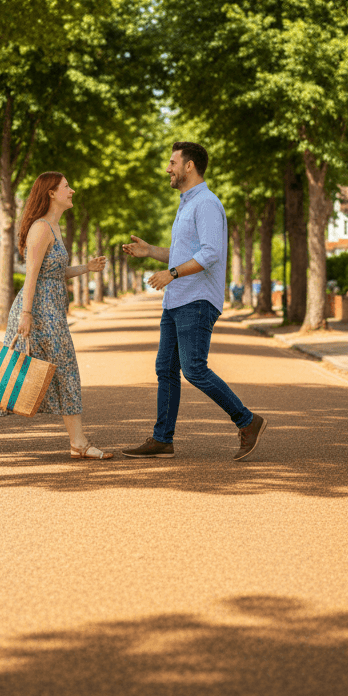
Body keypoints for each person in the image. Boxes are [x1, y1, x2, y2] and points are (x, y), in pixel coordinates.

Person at [122, 142, 266, 462]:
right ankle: (162, 440)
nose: (168, 168)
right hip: (177, 300)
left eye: (173, 162)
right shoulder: (187, 204)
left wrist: (172, 273)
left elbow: (210, 254)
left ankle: (247, 421)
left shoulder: (206, 203)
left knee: (194, 369)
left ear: (189, 166)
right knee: (166, 369)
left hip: (196, 300)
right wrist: (152, 253)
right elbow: (185, 253)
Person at [0, 172, 113, 461]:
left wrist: (86, 268)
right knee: (29, 370)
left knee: (18, 372)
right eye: (67, 186)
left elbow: (54, 273)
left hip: (51, 310)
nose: (72, 190)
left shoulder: (55, 228)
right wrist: (26, 314)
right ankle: (77, 442)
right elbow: (31, 276)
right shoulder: (41, 228)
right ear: (51, 193)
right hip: (37, 312)